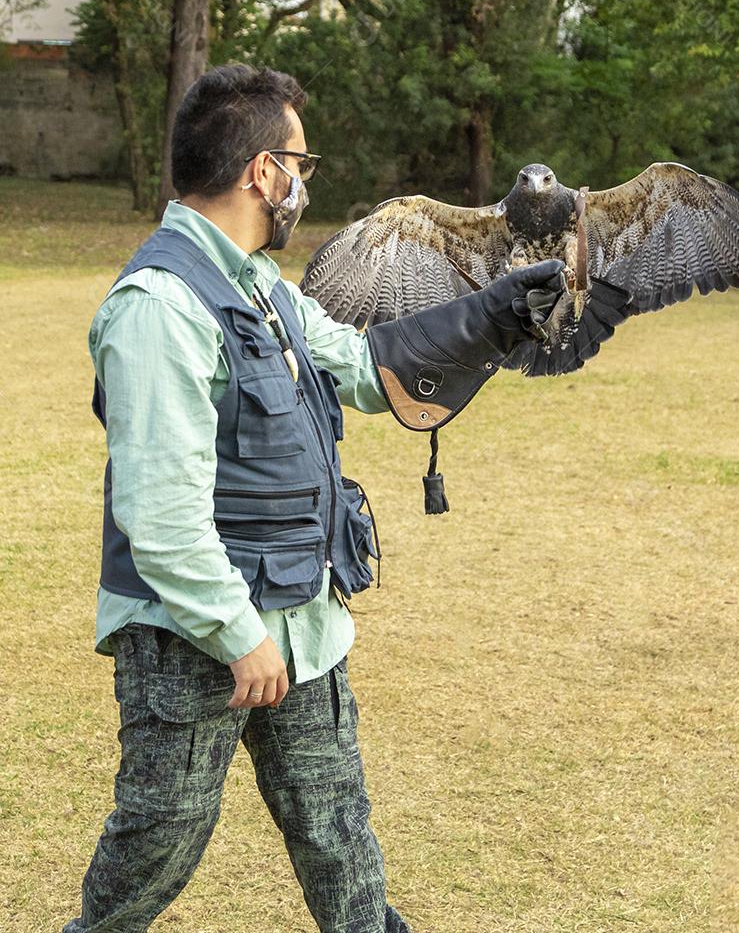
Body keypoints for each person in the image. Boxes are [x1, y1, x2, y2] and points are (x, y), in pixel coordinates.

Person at [64, 63, 565, 933]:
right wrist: (239, 635)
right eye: (300, 161)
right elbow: (159, 515)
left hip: (303, 612)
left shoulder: (260, 286)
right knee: (161, 836)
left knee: (339, 836)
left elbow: (367, 369)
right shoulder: (161, 307)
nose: (304, 183)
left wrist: (491, 315)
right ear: (263, 171)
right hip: (198, 636)